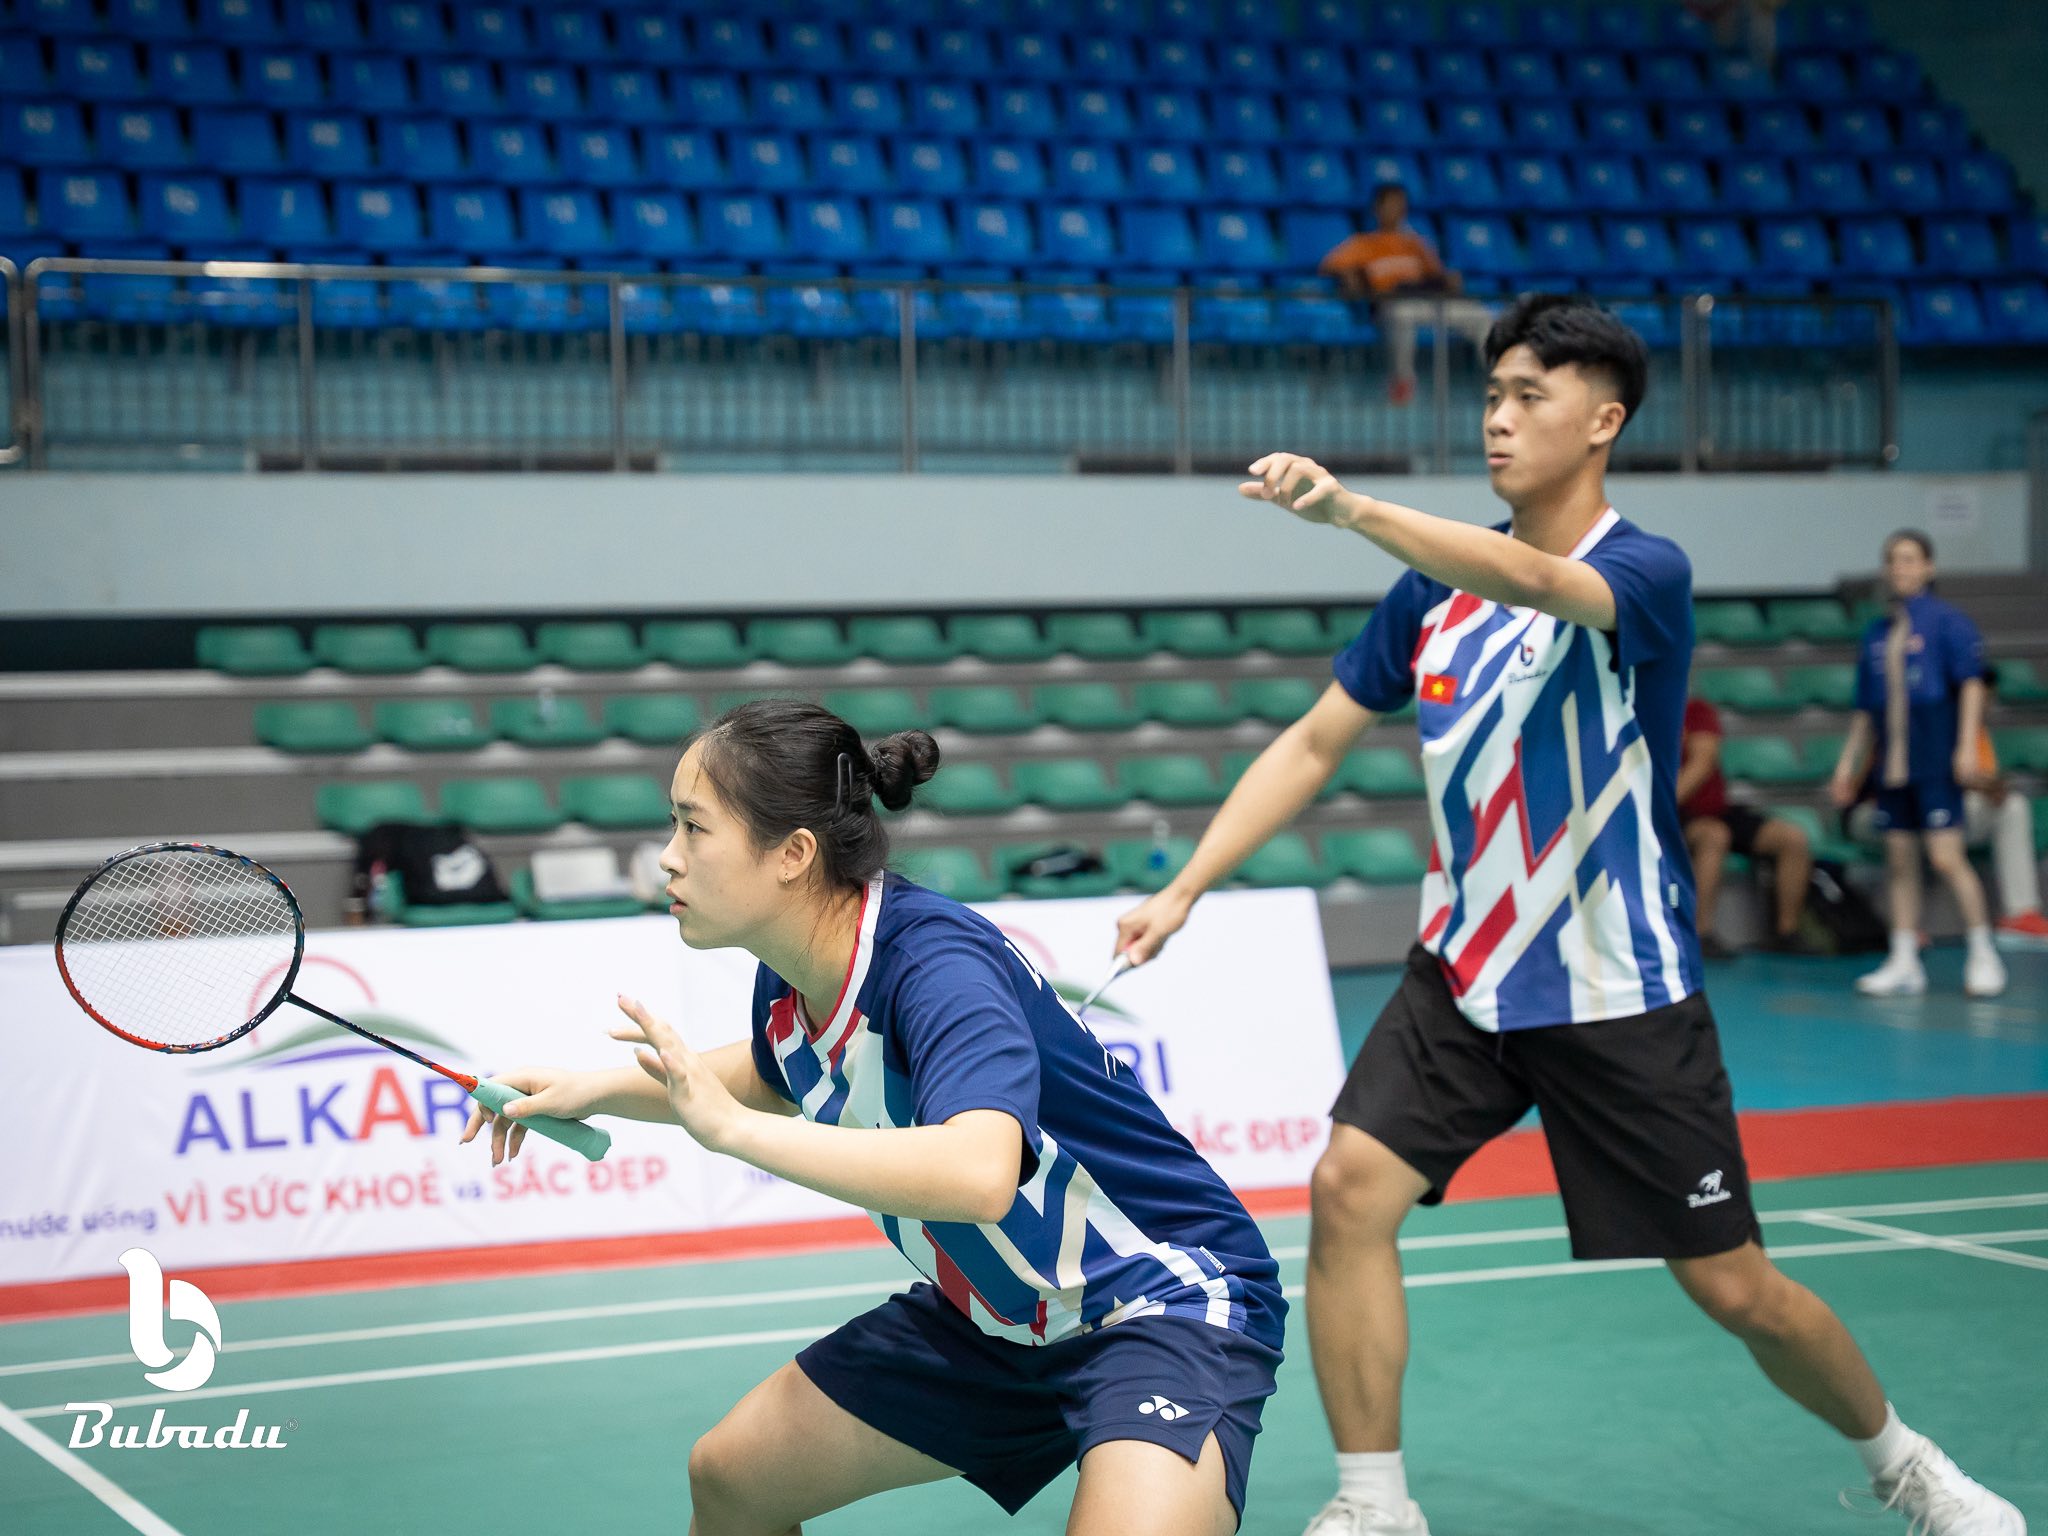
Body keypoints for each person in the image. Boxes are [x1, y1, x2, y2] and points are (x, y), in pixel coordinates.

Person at [1112, 296, 2025, 1536]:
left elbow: (1538, 578)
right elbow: (1315, 742)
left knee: (1733, 1287)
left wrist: (1351, 510)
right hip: (1462, 977)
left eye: (1527, 396)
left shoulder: (1642, 573)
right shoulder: (1426, 598)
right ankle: (1373, 1503)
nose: (1496, 417)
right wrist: (1185, 885)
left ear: (1602, 421)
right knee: (1347, 1192)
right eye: (1490, 394)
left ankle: (1905, 1466)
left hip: (1614, 986)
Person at [462, 700, 1287, 1536]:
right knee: (732, 1477)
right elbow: (774, 1069)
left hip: (1154, 1301)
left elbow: (979, 1173)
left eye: (693, 827)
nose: (668, 857)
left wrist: (734, 1135)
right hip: (998, 1321)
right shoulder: (795, 970)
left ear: (793, 855)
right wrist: (591, 1089)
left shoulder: (936, 965)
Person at [1828, 532, 2008, 999]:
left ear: (1929, 567)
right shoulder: (1877, 632)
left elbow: (1971, 685)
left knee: (1946, 857)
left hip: (1935, 759)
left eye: (1909, 559)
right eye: (1893, 560)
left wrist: (1965, 747)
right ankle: (1904, 959)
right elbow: (1865, 711)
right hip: (1893, 766)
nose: (1900, 568)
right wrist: (1846, 767)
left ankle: (1983, 952)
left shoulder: (1949, 623)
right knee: (1900, 862)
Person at [1319, 182, 1496, 407]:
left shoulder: (1415, 244)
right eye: (1390, 205)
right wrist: (1350, 274)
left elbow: (1439, 275)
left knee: (1482, 317)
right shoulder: (1362, 243)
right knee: (1403, 314)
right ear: (1377, 209)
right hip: (1392, 305)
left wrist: (1450, 280)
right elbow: (1328, 265)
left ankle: (1498, 382)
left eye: (1400, 205)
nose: (1396, 211)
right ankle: (1403, 382)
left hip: (1429, 302)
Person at [1677, 695, 1816, 957]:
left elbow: (1702, 763)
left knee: (1792, 838)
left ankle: (1787, 932)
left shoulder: (1696, 709)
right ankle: (1701, 934)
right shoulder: (1640, 714)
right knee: (1715, 836)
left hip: (1719, 810)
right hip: (1678, 816)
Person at [1971, 665, 2048, 949]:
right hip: (1913, 813)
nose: (1987, 704)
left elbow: (1983, 777)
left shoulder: (1978, 731)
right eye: (1982, 697)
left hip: (1958, 815)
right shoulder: (1934, 721)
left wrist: (1993, 788)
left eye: (1990, 698)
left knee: (2013, 806)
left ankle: (2021, 915)